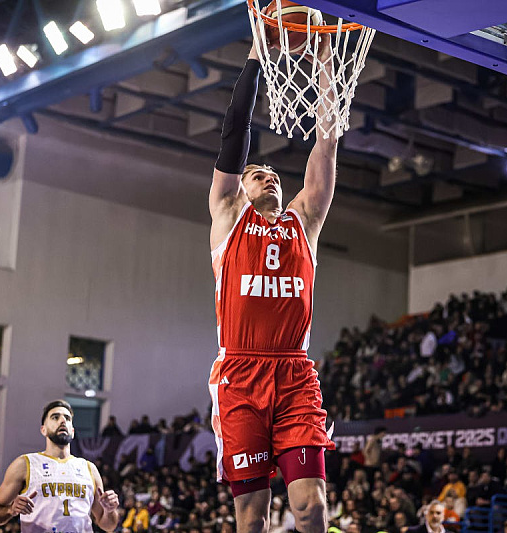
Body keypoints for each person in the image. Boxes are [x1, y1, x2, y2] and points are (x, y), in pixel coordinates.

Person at [207, 26, 337, 533]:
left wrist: (325, 62)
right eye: (256, 171)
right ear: (238, 186)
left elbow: (326, 143)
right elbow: (234, 130)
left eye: (274, 173)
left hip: (294, 374)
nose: (268, 174)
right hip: (239, 377)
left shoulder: (304, 221)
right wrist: (259, 59)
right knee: (252, 516)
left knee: (311, 507)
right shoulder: (226, 216)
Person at [0, 400, 120, 532]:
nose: (62, 421)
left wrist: (110, 510)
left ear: (72, 432)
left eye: (67, 418)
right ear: (43, 430)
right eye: (55, 417)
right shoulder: (25, 464)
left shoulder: (89, 468)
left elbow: (108, 525)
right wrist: (11, 510)